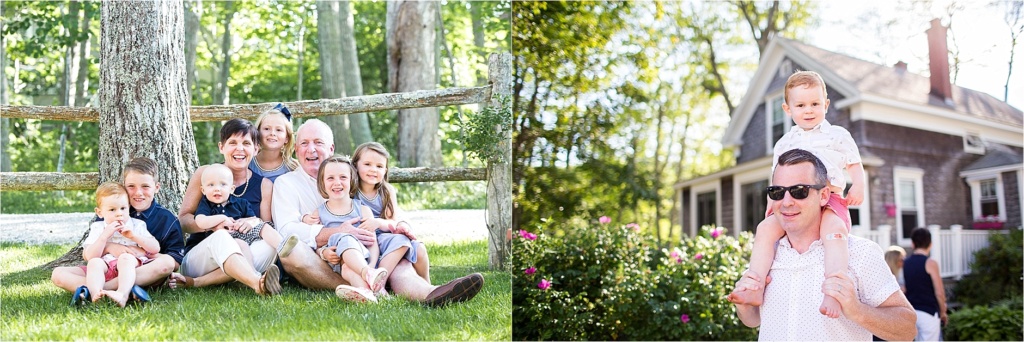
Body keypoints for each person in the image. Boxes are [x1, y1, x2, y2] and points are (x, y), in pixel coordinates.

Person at [272, 118, 484, 306]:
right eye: (304, 143)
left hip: (371, 247)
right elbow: (287, 230)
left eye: (318, 143)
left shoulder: (351, 175)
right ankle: (368, 285)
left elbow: (387, 208)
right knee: (291, 252)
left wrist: (398, 226)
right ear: (295, 149)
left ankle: (431, 293)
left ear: (331, 148)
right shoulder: (286, 183)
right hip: (330, 257)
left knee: (398, 254)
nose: (311, 149)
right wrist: (335, 235)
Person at [732, 148, 916, 340]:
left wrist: (857, 310)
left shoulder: (860, 253)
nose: (786, 202)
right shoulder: (765, 254)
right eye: (777, 192)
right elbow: (754, 320)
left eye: (799, 191)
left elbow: (907, 330)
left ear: (824, 196)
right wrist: (744, 306)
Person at [729, 70, 865, 318]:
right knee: (765, 229)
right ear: (787, 109)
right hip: (792, 199)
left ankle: (834, 290)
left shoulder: (837, 135)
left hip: (830, 197)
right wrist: (772, 208)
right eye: (801, 105)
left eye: (815, 103)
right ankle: (754, 285)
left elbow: (854, 164)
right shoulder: (784, 143)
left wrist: (858, 185)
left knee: (834, 232)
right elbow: (776, 178)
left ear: (826, 104)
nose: (809, 110)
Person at [171, 118, 285, 295]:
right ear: (221, 147)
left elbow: (266, 226)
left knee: (270, 245)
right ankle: (256, 282)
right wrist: (212, 224)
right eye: (233, 142)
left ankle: (209, 281)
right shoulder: (205, 173)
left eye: (246, 143)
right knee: (222, 236)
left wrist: (251, 222)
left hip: (243, 250)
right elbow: (184, 220)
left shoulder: (264, 185)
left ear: (256, 149)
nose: (239, 149)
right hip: (201, 258)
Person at [51, 157, 183, 303]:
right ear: (124, 187)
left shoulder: (167, 219)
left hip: (140, 269)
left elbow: (175, 260)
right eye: (131, 186)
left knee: (167, 263)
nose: (138, 192)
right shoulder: (112, 208)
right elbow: (89, 254)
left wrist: (143, 252)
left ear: (156, 188)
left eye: (145, 186)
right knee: (58, 274)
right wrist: (110, 246)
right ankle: (113, 291)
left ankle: (99, 290)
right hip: (105, 267)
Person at [307, 155, 388, 302]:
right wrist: (324, 253)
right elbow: (315, 244)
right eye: (330, 178)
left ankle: (367, 293)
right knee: (344, 236)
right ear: (322, 183)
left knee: (348, 265)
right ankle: (370, 279)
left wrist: (371, 265)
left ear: (351, 180)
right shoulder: (318, 213)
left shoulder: (363, 211)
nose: (337, 183)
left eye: (343, 177)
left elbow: (372, 243)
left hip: (361, 260)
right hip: (336, 264)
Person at [351, 142, 429, 282]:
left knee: (420, 249)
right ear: (355, 164)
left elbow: (392, 222)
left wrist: (377, 222)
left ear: (385, 170)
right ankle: (378, 281)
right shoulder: (351, 191)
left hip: (385, 235)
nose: (373, 169)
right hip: (365, 237)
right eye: (367, 164)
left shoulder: (386, 191)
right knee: (402, 241)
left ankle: (427, 282)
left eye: (379, 166)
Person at [75, 182, 160, 307]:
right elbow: (90, 256)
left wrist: (133, 236)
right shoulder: (98, 227)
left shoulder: (137, 225)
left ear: (129, 207)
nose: (119, 213)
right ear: (99, 212)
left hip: (131, 266)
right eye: (112, 210)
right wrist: (104, 236)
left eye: (123, 208)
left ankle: (122, 295)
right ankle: (96, 295)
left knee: (125, 258)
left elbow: (155, 248)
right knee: (94, 263)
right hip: (107, 267)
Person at [194, 163, 298, 251]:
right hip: (220, 242)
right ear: (203, 190)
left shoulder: (241, 203)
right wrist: (222, 219)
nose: (217, 189)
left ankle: (281, 245)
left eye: (223, 185)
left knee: (264, 226)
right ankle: (251, 273)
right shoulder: (206, 204)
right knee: (241, 245)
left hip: (243, 235)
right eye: (211, 185)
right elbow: (200, 221)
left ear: (232, 189)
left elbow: (255, 219)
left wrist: (247, 222)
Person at [904, 228, 948, 341]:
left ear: (912, 244)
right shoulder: (930, 263)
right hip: (928, 312)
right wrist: (943, 312)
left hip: (911, 313)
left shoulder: (905, 263)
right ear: (930, 244)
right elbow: (939, 292)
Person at [250, 104, 298, 182]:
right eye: (267, 128)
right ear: (257, 132)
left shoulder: (293, 168)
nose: (272, 133)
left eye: (278, 130)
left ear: (287, 138)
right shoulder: (247, 163)